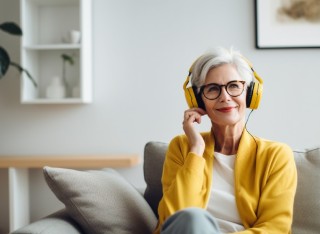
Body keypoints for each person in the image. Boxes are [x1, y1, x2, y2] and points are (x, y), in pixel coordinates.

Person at [154, 47, 297, 234]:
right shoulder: (182, 147)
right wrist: (196, 150)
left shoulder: (276, 155)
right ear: (198, 99)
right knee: (192, 218)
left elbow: (275, 228)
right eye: (212, 89)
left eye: (234, 86)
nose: (225, 97)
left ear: (250, 93)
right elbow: (174, 217)